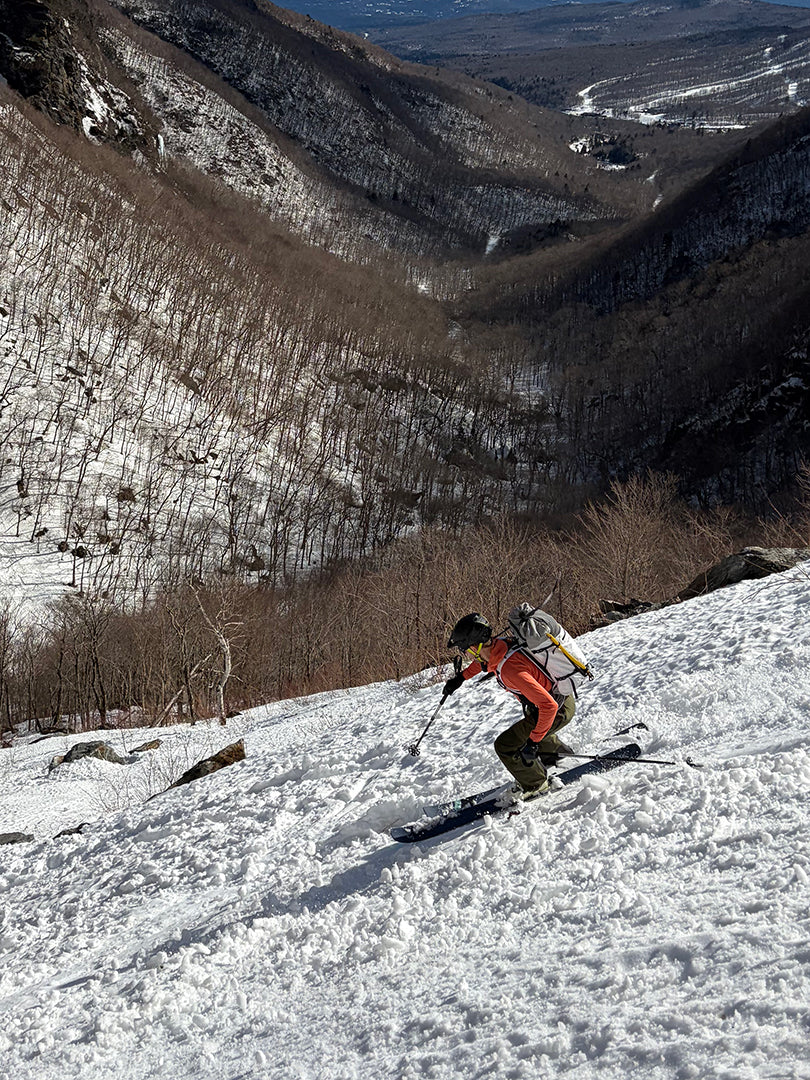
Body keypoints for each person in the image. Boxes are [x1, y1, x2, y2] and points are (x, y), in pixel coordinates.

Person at [444, 612, 575, 798]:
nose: (465, 653)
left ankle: (536, 783)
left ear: (476, 646)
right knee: (529, 726)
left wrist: (533, 743)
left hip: (558, 709)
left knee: (506, 745)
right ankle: (556, 756)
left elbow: (549, 707)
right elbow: (482, 663)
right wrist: (461, 678)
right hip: (560, 698)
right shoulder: (501, 646)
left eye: (465, 649)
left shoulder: (510, 670)